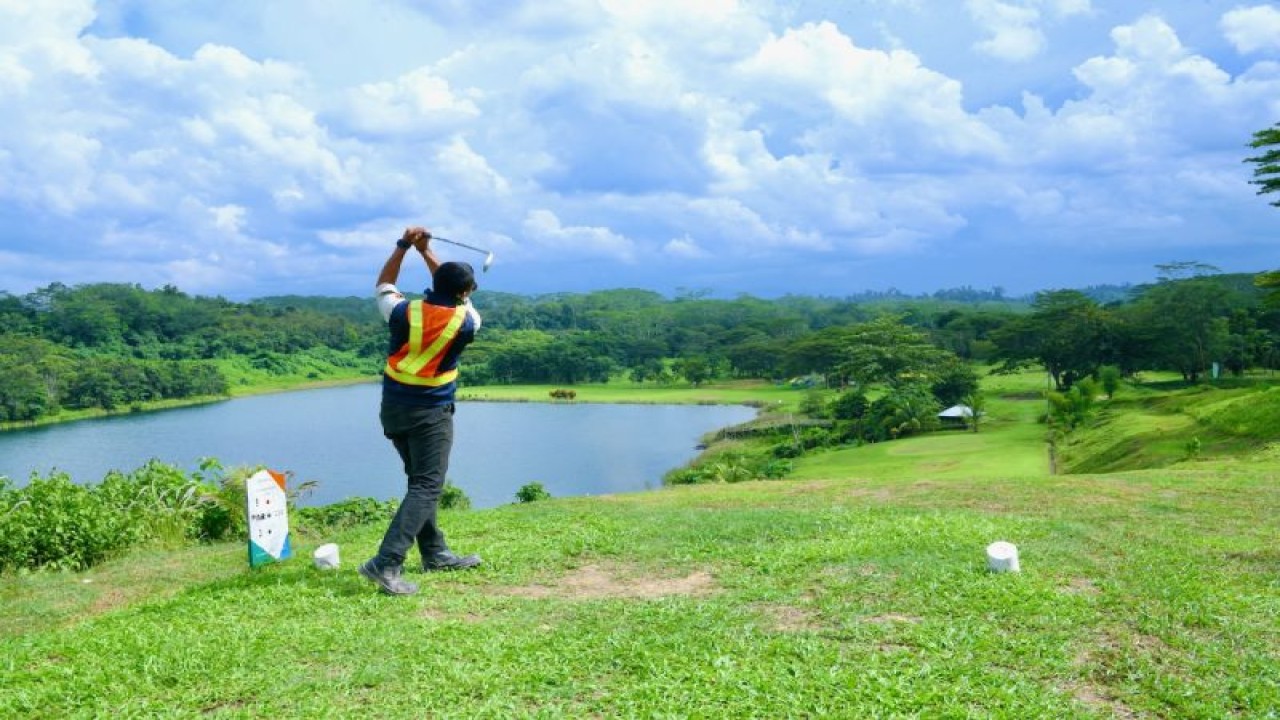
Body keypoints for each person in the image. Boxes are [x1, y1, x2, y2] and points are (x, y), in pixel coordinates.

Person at [359, 226, 483, 595]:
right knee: (428, 486)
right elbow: (452, 289)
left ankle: (435, 552)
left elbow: (384, 283)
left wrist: (404, 247)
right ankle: (386, 563)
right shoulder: (467, 322)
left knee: (419, 483)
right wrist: (428, 252)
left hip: (393, 409)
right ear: (466, 292)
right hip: (431, 414)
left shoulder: (402, 311)